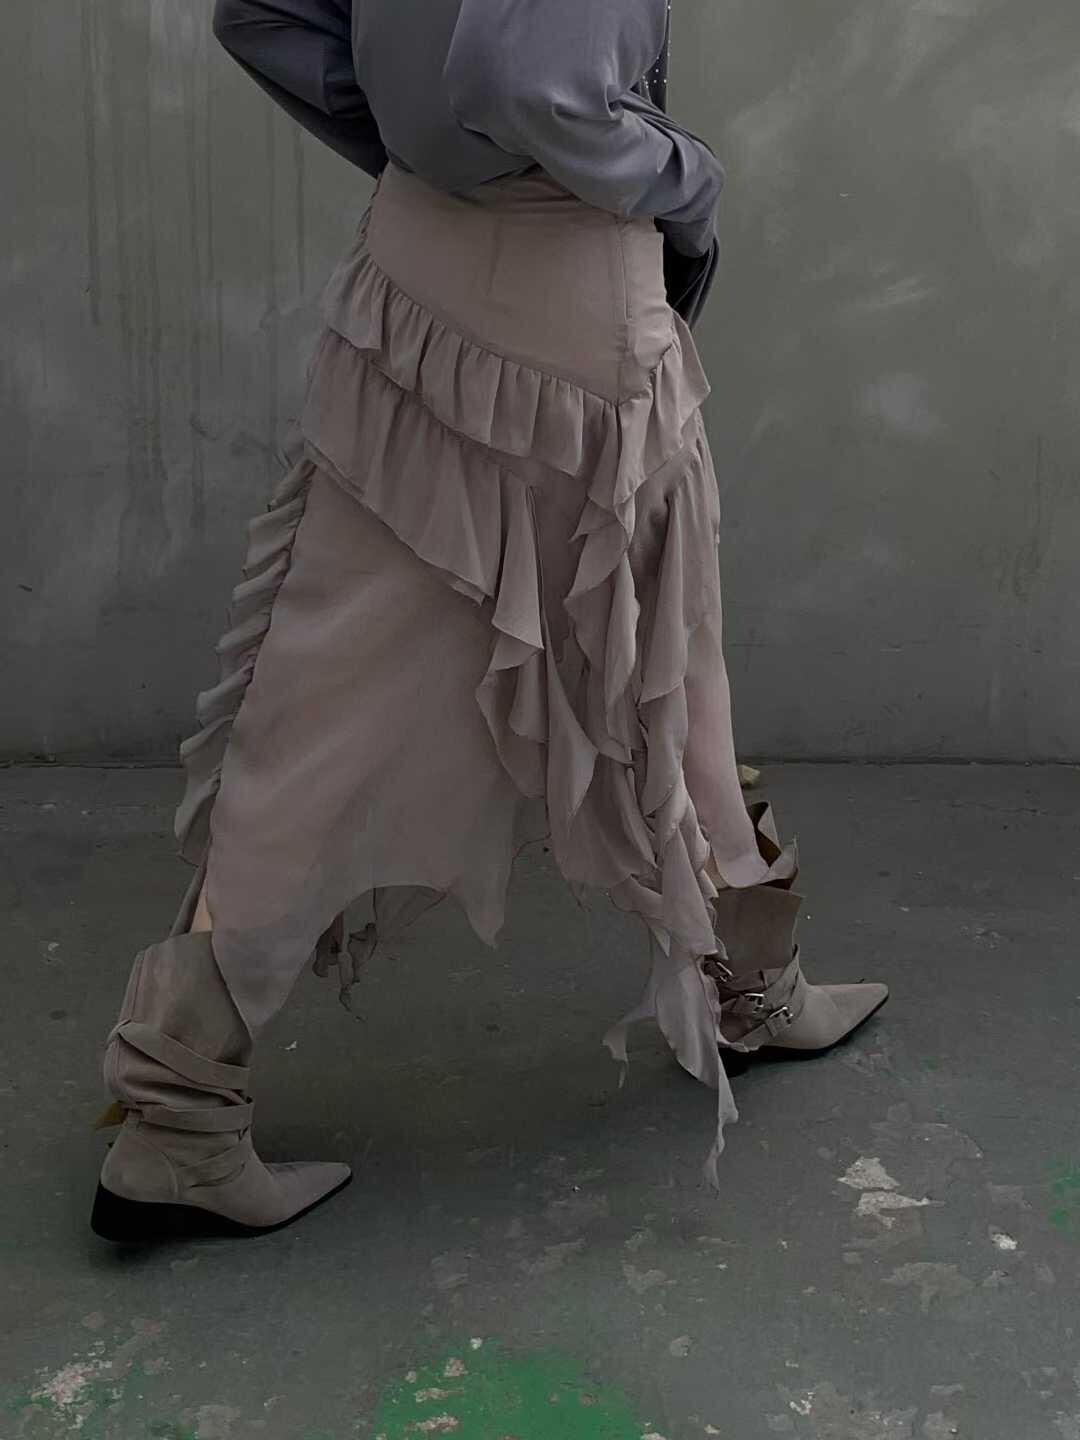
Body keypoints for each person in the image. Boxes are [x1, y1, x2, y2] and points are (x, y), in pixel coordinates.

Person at [91, 0, 888, 1243]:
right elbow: (531, 83)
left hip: (412, 277)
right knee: (661, 658)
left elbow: (263, 10)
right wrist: (689, 179)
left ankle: (178, 1108)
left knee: (322, 703)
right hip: (563, 295)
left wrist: (422, 142)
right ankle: (753, 984)